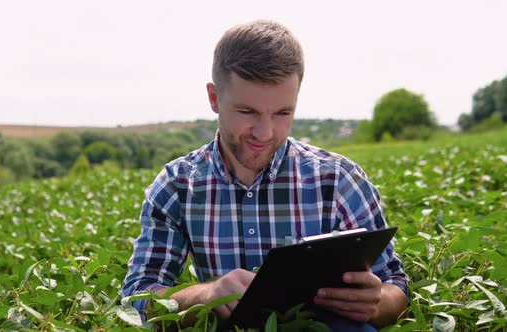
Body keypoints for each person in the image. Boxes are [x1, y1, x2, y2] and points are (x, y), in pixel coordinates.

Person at [122, 19, 409, 330]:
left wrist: (378, 300)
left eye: (283, 113)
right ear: (214, 98)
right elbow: (138, 296)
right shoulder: (177, 186)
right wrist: (208, 295)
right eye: (248, 112)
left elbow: (395, 284)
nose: (265, 132)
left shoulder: (339, 181)